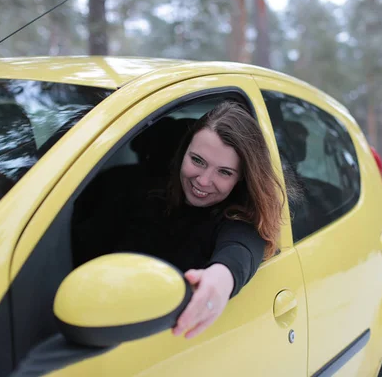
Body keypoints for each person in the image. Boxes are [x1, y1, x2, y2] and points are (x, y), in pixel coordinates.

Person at [75, 100, 286, 339]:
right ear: (183, 151)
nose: (204, 181)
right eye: (197, 160)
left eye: (224, 172)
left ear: (241, 178)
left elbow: (240, 251)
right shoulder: (129, 189)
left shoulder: (239, 220)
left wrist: (220, 279)